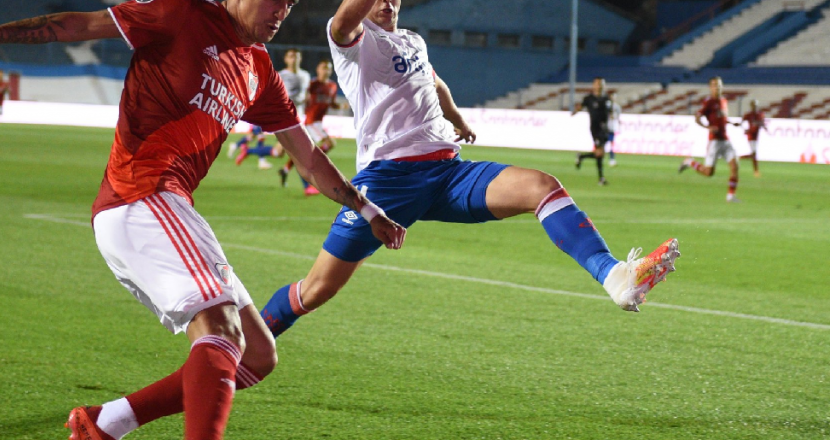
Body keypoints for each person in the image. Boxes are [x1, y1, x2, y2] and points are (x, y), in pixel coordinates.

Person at [0, 1, 406, 439]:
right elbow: (77, 25)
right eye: (274, 0)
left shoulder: (259, 68)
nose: (282, 11)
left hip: (166, 207)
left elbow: (308, 158)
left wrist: (366, 209)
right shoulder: (182, 14)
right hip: (141, 196)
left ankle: (105, 423)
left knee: (257, 355)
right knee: (222, 330)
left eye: (291, 3)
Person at [260, 0, 680, 340]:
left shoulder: (412, 41)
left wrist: (457, 119)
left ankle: (615, 277)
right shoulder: (351, 41)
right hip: (387, 182)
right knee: (318, 288)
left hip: (447, 172)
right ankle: (249, 342)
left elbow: (434, 83)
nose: (386, 3)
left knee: (541, 187)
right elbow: (344, 20)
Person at [278, 59, 347, 195]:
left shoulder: (332, 86)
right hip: (311, 122)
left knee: (302, 153)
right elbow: (302, 96)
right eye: (323, 68)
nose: (326, 71)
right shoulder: (312, 84)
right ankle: (312, 166)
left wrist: (340, 106)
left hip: (318, 123)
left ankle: (286, 169)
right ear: (318, 70)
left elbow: (331, 103)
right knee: (329, 143)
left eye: (328, 68)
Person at [679, 77, 741, 202]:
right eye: (715, 85)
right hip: (714, 141)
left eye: (719, 85)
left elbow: (721, 118)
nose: (717, 87)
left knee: (735, 166)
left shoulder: (723, 101)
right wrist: (708, 127)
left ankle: (730, 196)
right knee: (708, 172)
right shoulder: (709, 102)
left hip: (725, 140)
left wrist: (731, 123)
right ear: (710, 87)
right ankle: (690, 162)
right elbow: (697, 118)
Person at [571, 77, 612, 185]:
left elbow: (609, 112)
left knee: (600, 154)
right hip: (595, 128)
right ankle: (600, 177)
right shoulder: (589, 98)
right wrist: (575, 111)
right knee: (600, 152)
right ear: (594, 85)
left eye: (601, 84)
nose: (599, 86)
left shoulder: (606, 98)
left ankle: (600, 177)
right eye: (597, 84)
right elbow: (581, 106)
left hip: (604, 128)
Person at [734, 99, 767, 177]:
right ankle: (756, 171)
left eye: (755, 105)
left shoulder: (760, 114)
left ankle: (739, 157)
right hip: (751, 135)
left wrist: (764, 127)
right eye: (753, 105)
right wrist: (744, 129)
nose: (754, 107)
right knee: (754, 153)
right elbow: (742, 122)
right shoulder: (749, 114)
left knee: (753, 154)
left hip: (756, 136)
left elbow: (762, 122)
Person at [277, 47, 310, 115]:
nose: (294, 59)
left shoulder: (305, 75)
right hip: (284, 113)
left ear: (300, 59)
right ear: (286, 59)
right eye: (291, 57)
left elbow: (307, 92)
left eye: (296, 57)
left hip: (300, 113)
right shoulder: (280, 76)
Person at [606, 90, 621, 167]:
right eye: (613, 96)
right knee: (604, 144)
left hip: (611, 127)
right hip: (606, 127)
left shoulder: (617, 106)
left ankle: (611, 159)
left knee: (611, 144)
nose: (614, 98)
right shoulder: (607, 105)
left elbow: (618, 117)